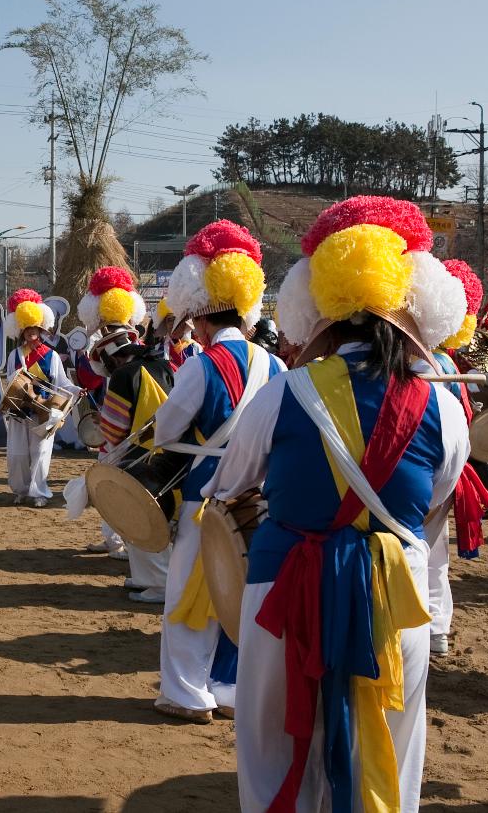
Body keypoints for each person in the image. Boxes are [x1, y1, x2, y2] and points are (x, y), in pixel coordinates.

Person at [206, 196, 470, 812]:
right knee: (392, 744)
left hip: (280, 588)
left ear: (320, 309)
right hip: (393, 596)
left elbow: (230, 485)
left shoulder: (280, 394)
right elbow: (433, 501)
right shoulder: (447, 409)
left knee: (271, 740)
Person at [153, 220, 284, 724]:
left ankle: (185, 692)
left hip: (202, 493)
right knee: (239, 593)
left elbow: (166, 432)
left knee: (187, 593)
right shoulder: (274, 365)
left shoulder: (201, 365)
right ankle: (226, 687)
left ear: (203, 321)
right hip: (256, 495)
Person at [422, 259, 488, 656]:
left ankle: (432, 626)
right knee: (436, 553)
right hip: (447, 466)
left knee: (425, 551)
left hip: (434, 466)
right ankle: (437, 628)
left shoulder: (438, 364)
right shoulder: (446, 362)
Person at [88, 325, 175, 603]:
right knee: (164, 516)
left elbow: (114, 430)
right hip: (170, 452)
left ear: (111, 359)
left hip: (136, 456)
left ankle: (158, 583)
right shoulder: (164, 365)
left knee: (138, 517)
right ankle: (146, 578)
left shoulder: (124, 375)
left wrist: (100, 421)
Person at [74, 267, 147, 558]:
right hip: (111, 422)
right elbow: (89, 380)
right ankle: (114, 539)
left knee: (123, 488)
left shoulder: (137, 348)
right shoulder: (104, 346)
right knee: (109, 487)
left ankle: (126, 541)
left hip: (128, 425)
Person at [3, 288, 74, 508]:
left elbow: (62, 383)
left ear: (41, 329)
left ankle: (38, 491)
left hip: (43, 412)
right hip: (19, 412)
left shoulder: (51, 355)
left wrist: (77, 389)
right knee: (17, 455)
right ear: (22, 329)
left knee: (41, 453)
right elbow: (9, 382)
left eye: (35, 328)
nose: (31, 332)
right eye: (27, 329)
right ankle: (21, 490)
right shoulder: (14, 355)